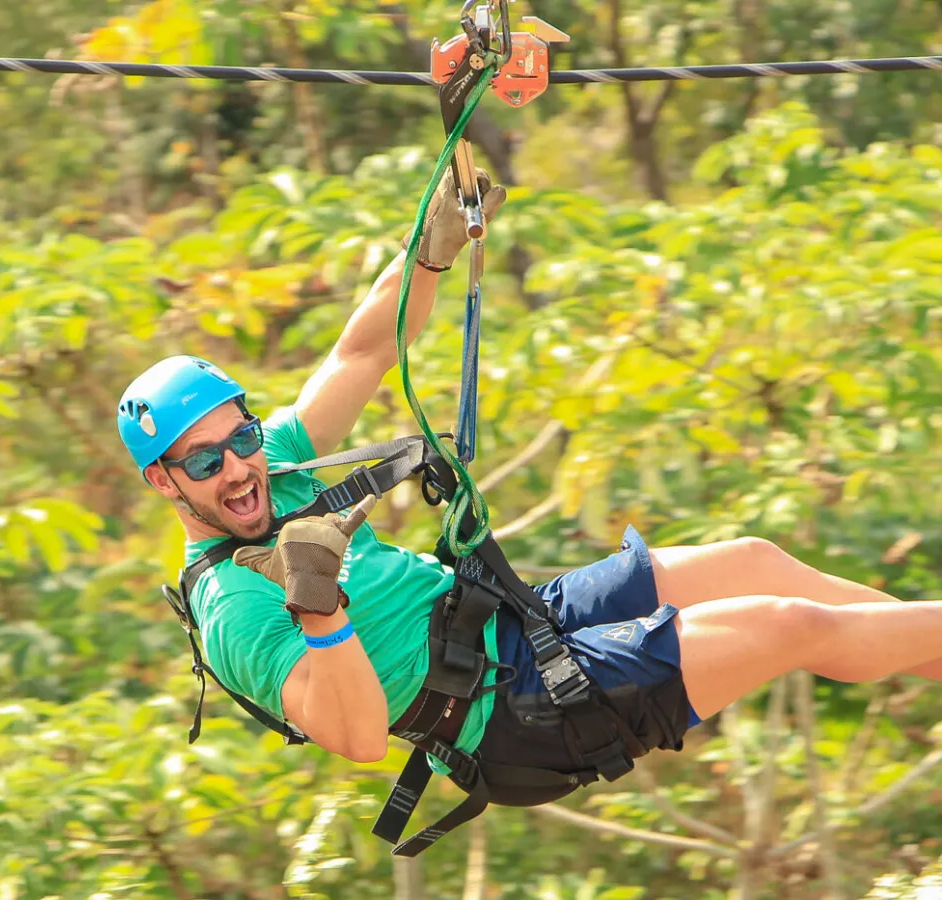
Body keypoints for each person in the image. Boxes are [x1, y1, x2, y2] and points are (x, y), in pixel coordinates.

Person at [116, 168, 942, 837]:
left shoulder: (283, 464)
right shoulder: (231, 609)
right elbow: (360, 739)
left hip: (510, 625)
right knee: (785, 625)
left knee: (752, 561)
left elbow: (364, 347)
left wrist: (429, 252)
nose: (237, 468)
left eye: (242, 439)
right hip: (506, 718)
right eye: (203, 461)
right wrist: (319, 609)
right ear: (163, 480)